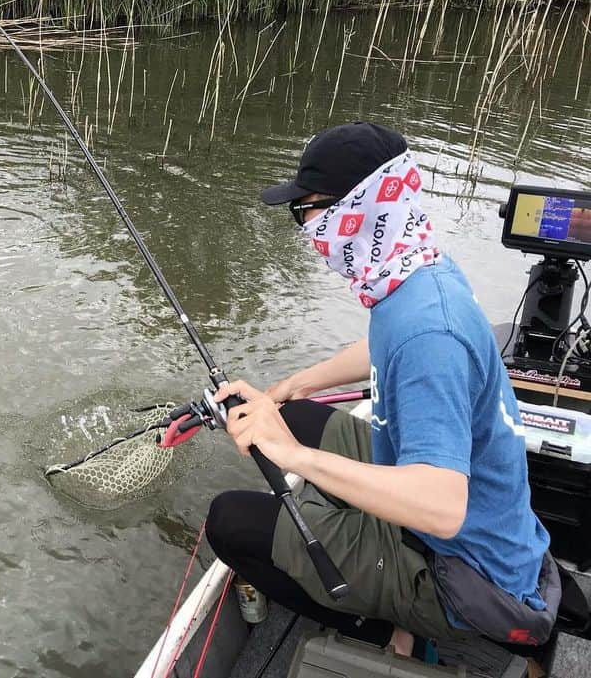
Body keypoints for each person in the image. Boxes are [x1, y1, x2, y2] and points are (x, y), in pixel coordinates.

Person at [205, 122, 557, 658]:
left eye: (307, 211)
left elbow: (443, 507)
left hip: (461, 574)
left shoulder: (429, 336)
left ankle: (391, 631)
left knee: (228, 522)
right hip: (466, 516)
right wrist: (292, 386)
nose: (304, 228)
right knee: (297, 413)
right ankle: (357, 539)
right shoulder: (418, 270)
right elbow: (383, 344)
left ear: (359, 209)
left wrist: (293, 454)